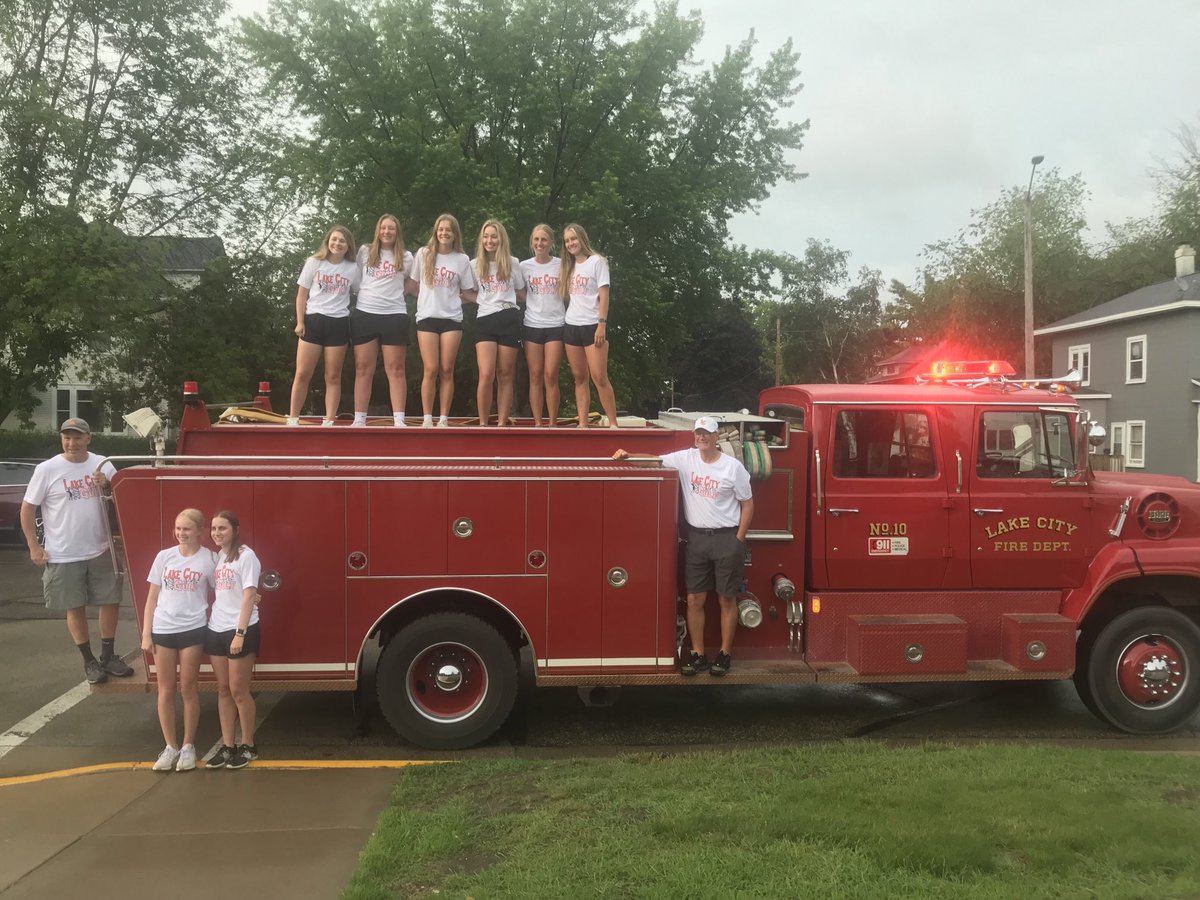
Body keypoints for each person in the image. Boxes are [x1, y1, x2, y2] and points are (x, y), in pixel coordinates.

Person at [613, 416, 754, 676]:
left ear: (716, 437)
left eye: (706, 433)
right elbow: (655, 461)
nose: (702, 437)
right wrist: (628, 456)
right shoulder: (686, 459)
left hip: (727, 538)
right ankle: (698, 654)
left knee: (726, 598)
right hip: (697, 539)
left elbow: (748, 504)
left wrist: (739, 539)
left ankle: (724, 654)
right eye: (698, 433)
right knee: (694, 599)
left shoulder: (732, 468)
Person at [20, 418, 134, 685]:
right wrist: (34, 546)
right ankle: (89, 660)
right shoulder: (47, 469)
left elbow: (126, 498)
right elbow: (27, 509)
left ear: (88, 438)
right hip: (63, 553)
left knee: (110, 600)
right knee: (75, 606)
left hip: (101, 548)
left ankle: (108, 655)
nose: (72, 443)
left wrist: (107, 484)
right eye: (67, 437)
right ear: (61, 439)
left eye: (77, 437)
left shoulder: (102, 463)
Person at [142, 508, 215, 772]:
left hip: (193, 628)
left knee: (188, 688)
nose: (181, 533)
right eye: (178, 528)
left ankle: (188, 746)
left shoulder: (210, 558)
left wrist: (251, 597)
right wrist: (146, 633)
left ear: (200, 531)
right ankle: (170, 747)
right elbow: (152, 596)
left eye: (186, 529)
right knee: (165, 689)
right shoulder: (164, 557)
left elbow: (224, 589)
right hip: (163, 628)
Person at [406, 214, 478, 427]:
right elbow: (412, 285)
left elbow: (467, 292)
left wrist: (491, 301)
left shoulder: (462, 259)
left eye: (448, 230)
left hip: (451, 319)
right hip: (427, 317)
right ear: (436, 232)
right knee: (430, 368)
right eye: (441, 229)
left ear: (455, 234)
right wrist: (426, 297)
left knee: (447, 369)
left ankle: (444, 418)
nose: (444, 233)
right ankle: (427, 418)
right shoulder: (424, 253)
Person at [205, 510, 261, 770]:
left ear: (235, 530)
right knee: (223, 689)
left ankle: (248, 746)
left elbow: (249, 595)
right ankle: (228, 746)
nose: (217, 533)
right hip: (215, 628)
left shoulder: (246, 556)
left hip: (240, 630)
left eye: (222, 528)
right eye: (214, 528)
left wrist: (240, 633)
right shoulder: (219, 557)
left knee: (239, 691)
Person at [289, 224, 360, 427]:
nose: (337, 244)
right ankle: (293, 417)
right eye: (334, 239)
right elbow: (301, 294)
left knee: (333, 376)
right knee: (302, 373)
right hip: (313, 320)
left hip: (338, 323)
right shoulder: (314, 262)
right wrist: (300, 321)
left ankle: (329, 419)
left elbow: (361, 291)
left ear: (348, 246)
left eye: (342, 241)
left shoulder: (353, 268)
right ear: (328, 241)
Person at [351, 214, 414, 427]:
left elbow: (413, 283)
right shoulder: (365, 251)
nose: (387, 232)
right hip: (365, 313)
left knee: (396, 368)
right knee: (363, 368)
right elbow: (356, 280)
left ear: (397, 232)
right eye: (383, 228)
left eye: (391, 228)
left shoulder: (406, 257)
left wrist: (397, 293)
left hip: (394, 315)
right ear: (378, 230)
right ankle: (359, 419)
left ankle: (399, 420)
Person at [560, 223, 619, 428]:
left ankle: (613, 423)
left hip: (593, 325)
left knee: (599, 377)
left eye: (573, 239)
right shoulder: (568, 266)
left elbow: (604, 295)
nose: (571, 243)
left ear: (582, 238)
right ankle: (583, 423)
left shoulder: (597, 262)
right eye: (567, 241)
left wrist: (602, 324)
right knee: (579, 378)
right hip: (571, 325)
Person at [473, 219, 527, 426]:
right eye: (486, 237)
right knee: (486, 373)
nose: (490, 241)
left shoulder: (513, 263)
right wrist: (481, 300)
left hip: (509, 318)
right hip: (485, 319)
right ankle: (483, 423)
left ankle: (502, 422)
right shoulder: (474, 264)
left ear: (501, 239)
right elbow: (467, 291)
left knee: (505, 374)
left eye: (494, 237)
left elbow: (521, 293)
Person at [519, 224, 565, 426]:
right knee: (535, 376)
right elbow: (518, 292)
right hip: (532, 325)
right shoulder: (524, 266)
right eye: (536, 239)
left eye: (544, 239)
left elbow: (570, 291)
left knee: (551, 375)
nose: (540, 243)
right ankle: (538, 422)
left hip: (556, 324)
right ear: (532, 242)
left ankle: (552, 423)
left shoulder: (561, 265)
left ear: (551, 242)